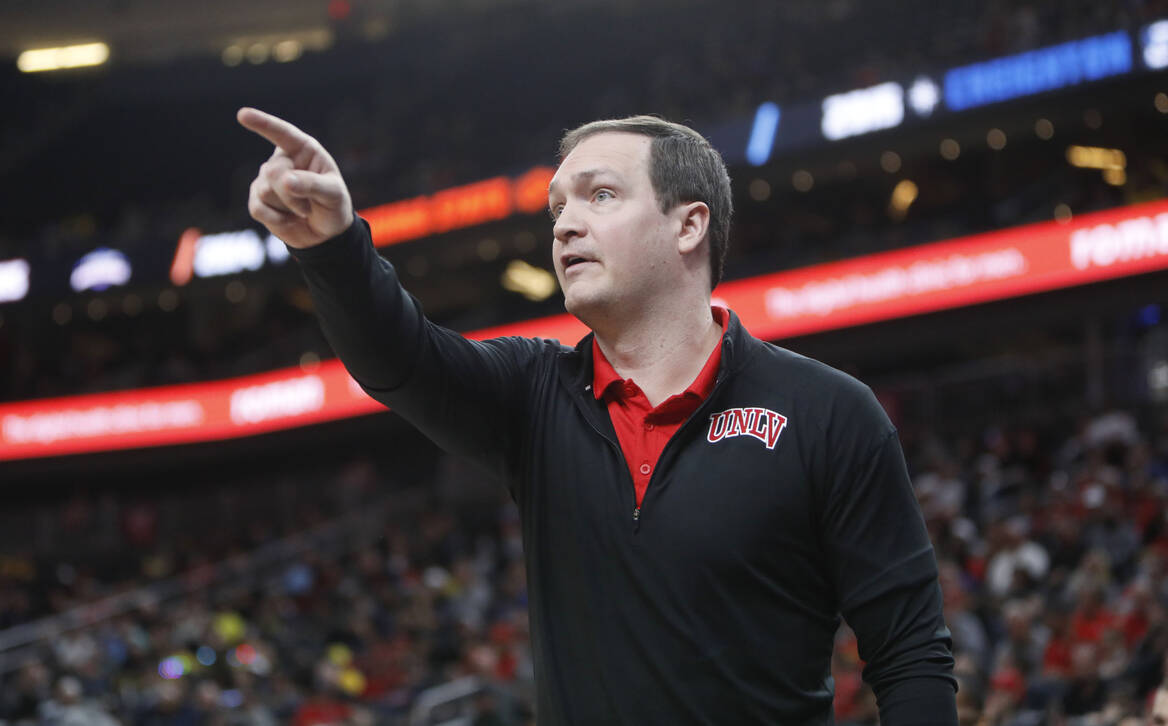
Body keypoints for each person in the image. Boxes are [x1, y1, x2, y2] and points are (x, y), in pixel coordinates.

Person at [237, 107, 957, 724]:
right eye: (557, 208)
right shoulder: (532, 394)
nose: (565, 225)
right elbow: (404, 362)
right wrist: (333, 246)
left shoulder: (828, 412)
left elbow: (910, 653)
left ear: (689, 225)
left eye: (600, 195)